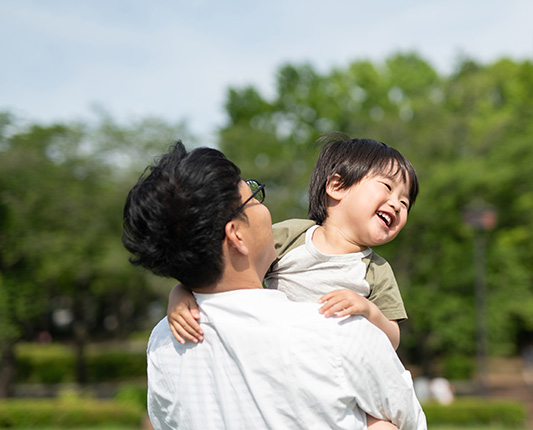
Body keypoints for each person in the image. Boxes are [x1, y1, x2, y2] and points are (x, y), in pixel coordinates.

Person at [122, 141, 427, 429]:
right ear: (237, 235)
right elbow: (409, 419)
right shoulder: (343, 336)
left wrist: (182, 291)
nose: (398, 206)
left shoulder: (164, 343)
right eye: (254, 198)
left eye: (405, 202)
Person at [168, 133, 419, 352]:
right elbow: (226, 265)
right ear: (337, 186)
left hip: (333, 362)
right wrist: (180, 293)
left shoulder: (376, 270)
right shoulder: (295, 235)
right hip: (275, 348)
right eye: (387, 186)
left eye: (405, 202)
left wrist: (368, 311)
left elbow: (392, 340)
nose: (397, 204)